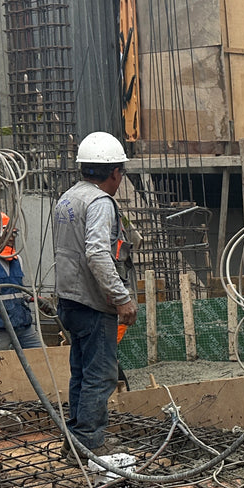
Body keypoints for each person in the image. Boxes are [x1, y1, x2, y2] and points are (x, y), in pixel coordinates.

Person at [51, 132, 137, 457]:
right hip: (92, 304)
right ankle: (90, 444)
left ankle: (74, 441)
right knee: (100, 376)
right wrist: (121, 297)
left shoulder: (68, 199)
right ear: (114, 172)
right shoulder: (100, 202)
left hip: (69, 301)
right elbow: (98, 253)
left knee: (81, 373)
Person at [0, 213, 42, 352]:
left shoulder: (17, 259)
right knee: (1, 363)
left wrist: (33, 298)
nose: (12, 238)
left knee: (41, 354)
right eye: (8, 234)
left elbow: (18, 290)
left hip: (21, 323)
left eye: (13, 234)